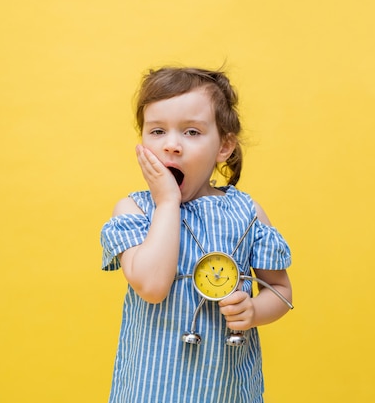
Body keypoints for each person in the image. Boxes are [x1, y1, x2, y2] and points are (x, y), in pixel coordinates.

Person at [100, 66, 293, 403]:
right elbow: (153, 287)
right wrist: (167, 201)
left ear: (224, 146)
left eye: (191, 132)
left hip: (227, 390)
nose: (172, 146)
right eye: (157, 131)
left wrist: (254, 310)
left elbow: (280, 290)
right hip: (150, 389)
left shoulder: (247, 213)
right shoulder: (135, 212)